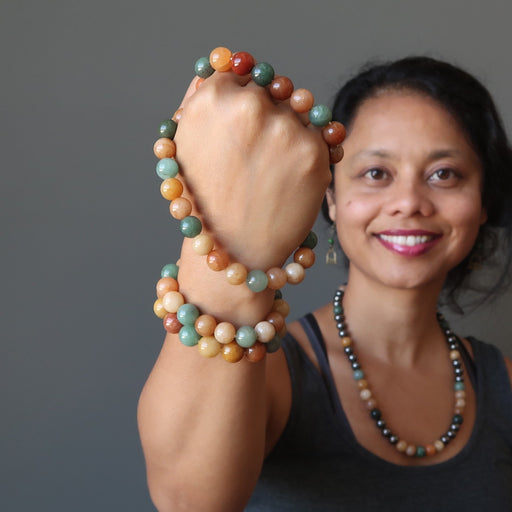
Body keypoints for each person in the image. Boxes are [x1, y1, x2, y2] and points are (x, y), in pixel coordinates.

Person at [137, 54, 512, 511]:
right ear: (330, 196)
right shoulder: (270, 374)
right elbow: (187, 503)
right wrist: (230, 238)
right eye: (376, 173)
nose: (409, 202)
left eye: (444, 174)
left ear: (484, 201)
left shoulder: (504, 382)